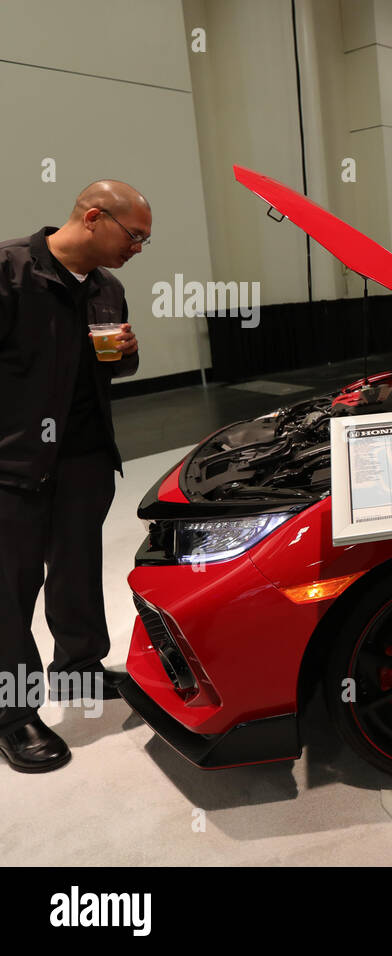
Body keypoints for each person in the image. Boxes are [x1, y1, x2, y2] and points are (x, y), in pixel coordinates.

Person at [0, 180, 147, 772]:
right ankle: (14, 715)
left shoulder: (108, 289)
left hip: (84, 458)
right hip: (13, 464)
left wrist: (127, 353)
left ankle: (79, 669)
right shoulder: (10, 271)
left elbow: (111, 368)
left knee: (78, 569)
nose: (138, 248)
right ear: (93, 217)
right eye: (133, 235)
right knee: (9, 592)